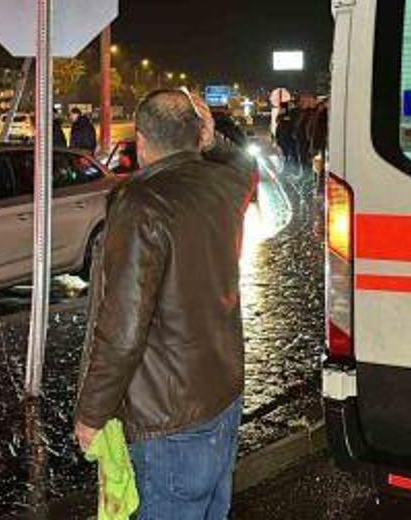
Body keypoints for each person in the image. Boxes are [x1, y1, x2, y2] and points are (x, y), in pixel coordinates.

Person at [76, 89, 257, 519]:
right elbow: (245, 166)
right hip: (222, 399)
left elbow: (122, 328)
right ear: (198, 134)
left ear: (141, 141)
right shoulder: (223, 184)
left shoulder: (141, 203)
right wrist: (214, 142)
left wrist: (92, 413)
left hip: (168, 419)